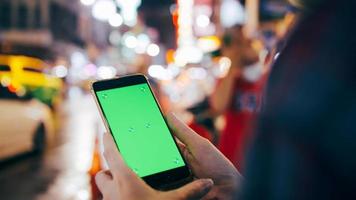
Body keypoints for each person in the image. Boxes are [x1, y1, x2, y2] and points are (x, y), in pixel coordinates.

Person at [95, 0, 356, 199]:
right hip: (235, 153)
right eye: (241, 42)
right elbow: (219, 105)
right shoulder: (314, 44)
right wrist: (232, 183)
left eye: (249, 41)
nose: (249, 46)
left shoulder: (319, 44)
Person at [210, 26, 267, 171]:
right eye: (237, 43)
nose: (243, 48)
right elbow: (218, 106)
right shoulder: (229, 80)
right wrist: (233, 64)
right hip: (232, 158)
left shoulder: (267, 76)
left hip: (261, 158)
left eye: (246, 42)